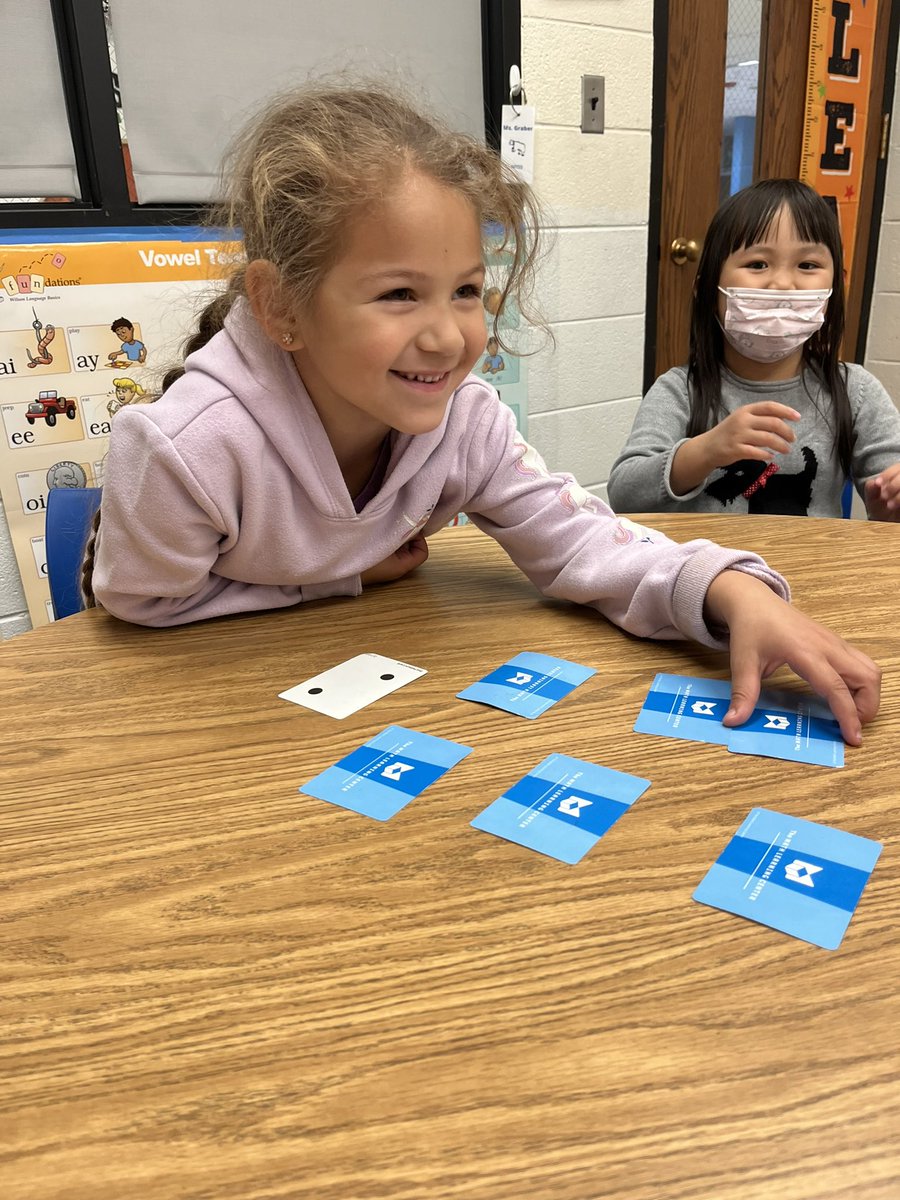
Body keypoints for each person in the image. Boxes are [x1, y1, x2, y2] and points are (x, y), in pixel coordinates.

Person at [85, 87, 881, 745]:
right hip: (209, 725)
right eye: (400, 293)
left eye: (466, 290)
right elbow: (143, 604)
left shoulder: (467, 424)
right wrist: (334, 578)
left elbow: (583, 541)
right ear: (281, 306)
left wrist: (734, 593)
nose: (448, 336)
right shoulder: (189, 447)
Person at [608, 178, 900, 520]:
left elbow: (889, 484)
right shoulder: (681, 390)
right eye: (758, 264)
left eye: (807, 265)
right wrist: (705, 451)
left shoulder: (855, 390)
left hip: (811, 554)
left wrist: (889, 505)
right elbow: (624, 495)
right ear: (707, 289)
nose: (783, 284)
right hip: (706, 556)